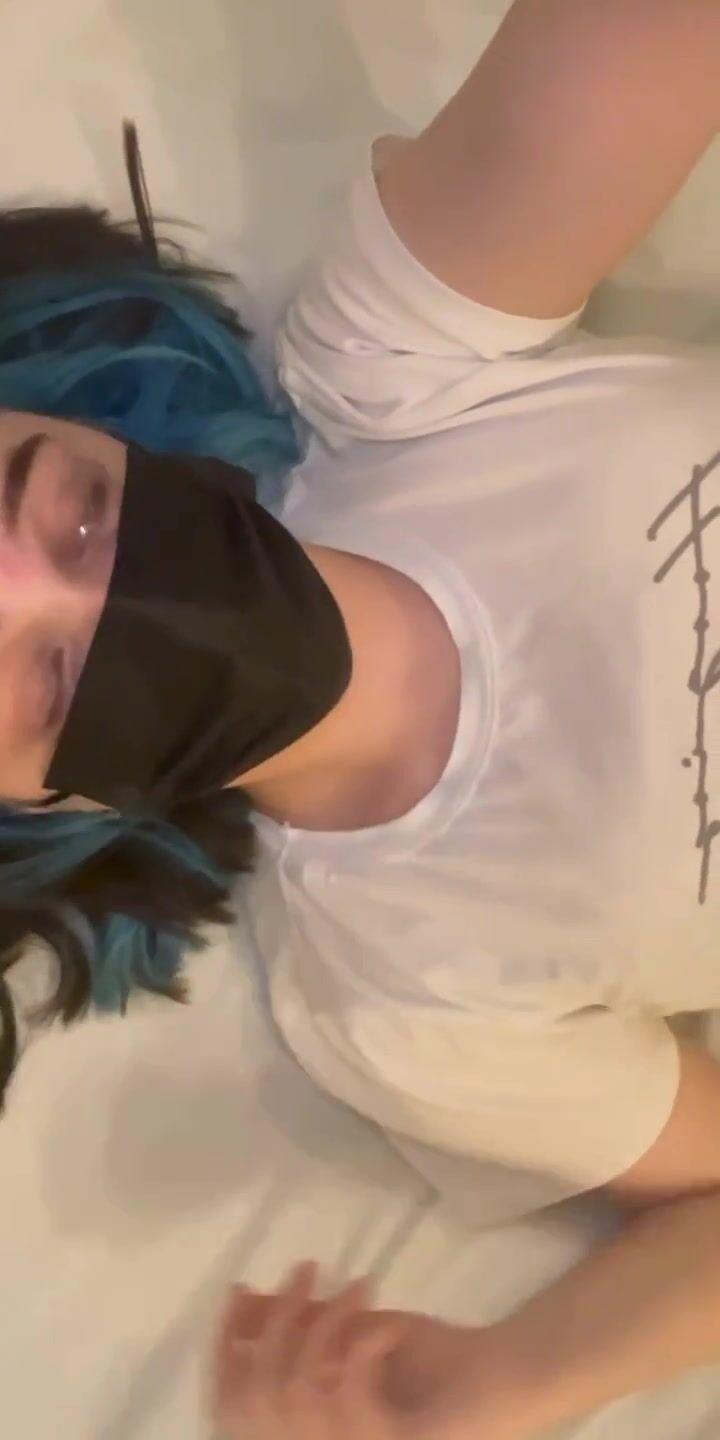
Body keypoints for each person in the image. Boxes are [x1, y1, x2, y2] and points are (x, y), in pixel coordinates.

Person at [1, 2, 719, 1436]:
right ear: (42, 811)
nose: (61, 579)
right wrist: (492, 1386)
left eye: (28, 497)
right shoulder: (398, 1003)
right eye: (19, 670)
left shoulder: (389, 368)